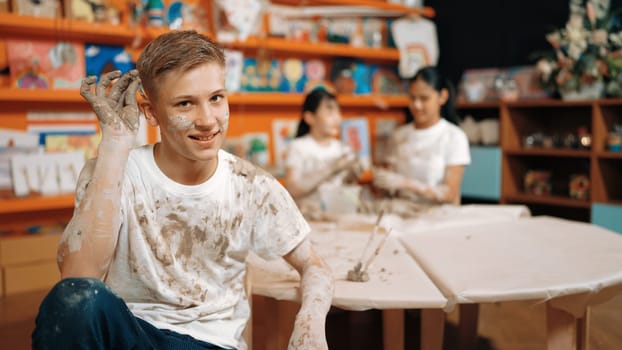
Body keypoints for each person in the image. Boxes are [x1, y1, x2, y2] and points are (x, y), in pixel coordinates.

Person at [31, 30, 333, 350]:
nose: (207, 120)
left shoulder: (252, 186)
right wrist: (116, 142)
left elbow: (314, 266)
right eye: (185, 103)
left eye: (216, 98)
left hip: (209, 344)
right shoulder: (111, 169)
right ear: (150, 111)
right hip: (133, 334)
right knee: (74, 300)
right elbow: (78, 282)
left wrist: (309, 323)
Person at [373, 66, 470, 205]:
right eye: (412, 98)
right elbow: (387, 188)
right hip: (403, 216)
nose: (417, 105)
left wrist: (405, 183)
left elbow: (449, 193)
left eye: (424, 98)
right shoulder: (399, 136)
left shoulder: (454, 137)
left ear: (442, 96)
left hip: (441, 218)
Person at [284, 88, 361, 219]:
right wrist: (331, 168)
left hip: (337, 218)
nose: (337, 118)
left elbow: (348, 190)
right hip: (308, 219)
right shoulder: (298, 147)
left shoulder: (343, 149)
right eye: (330, 111)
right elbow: (291, 189)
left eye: (338, 111)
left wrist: (354, 172)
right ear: (309, 118)